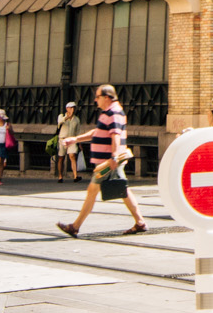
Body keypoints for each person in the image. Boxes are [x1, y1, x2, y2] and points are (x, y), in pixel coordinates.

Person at [56, 85, 146, 237]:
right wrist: (76, 139)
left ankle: (76, 226)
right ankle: (140, 222)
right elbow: (97, 133)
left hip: (107, 163)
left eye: (97, 97)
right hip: (108, 162)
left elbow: (115, 136)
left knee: (96, 191)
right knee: (122, 190)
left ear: (107, 97)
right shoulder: (108, 113)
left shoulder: (114, 113)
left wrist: (114, 157)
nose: (95, 100)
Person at [53, 102, 83, 181]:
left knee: (72, 156)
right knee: (61, 158)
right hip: (62, 139)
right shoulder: (61, 116)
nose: (73, 110)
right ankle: (60, 176)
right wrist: (67, 117)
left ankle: (75, 176)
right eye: (71, 108)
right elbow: (59, 122)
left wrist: (79, 143)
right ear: (67, 108)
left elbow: (78, 131)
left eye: (74, 108)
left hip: (72, 139)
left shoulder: (76, 119)